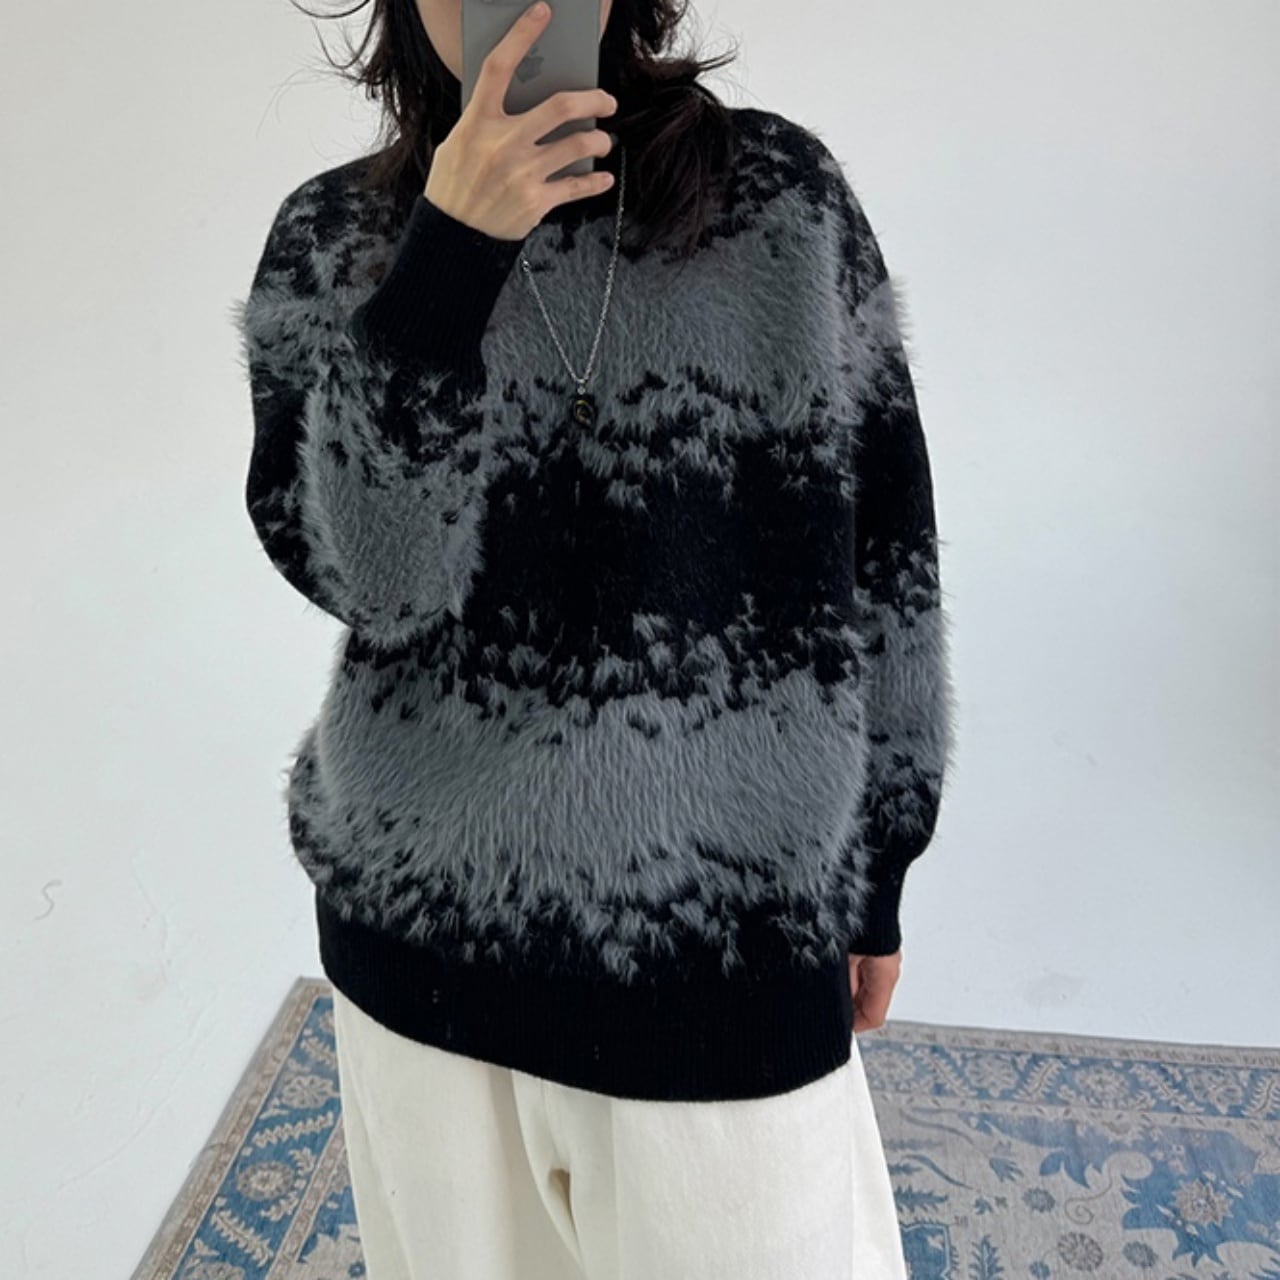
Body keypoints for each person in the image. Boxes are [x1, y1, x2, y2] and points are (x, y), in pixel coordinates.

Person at [235, 0, 956, 1274]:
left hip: (723, 945)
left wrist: (882, 866)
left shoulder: (779, 200)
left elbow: (886, 556)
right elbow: (378, 585)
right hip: (421, 949)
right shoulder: (333, 238)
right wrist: (447, 260)